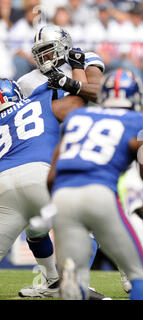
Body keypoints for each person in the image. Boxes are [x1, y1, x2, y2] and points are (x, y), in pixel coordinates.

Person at [48, 68, 143, 300]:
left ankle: (75, 286)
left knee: (77, 277)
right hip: (99, 193)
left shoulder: (78, 117)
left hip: (63, 194)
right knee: (138, 273)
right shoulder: (140, 123)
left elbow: (51, 177)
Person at [15, 24, 105, 299]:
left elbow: (99, 93)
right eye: (39, 53)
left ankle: (84, 281)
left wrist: (68, 81)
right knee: (36, 226)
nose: (43, 58)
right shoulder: (28, 81)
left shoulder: (86, 59)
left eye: (48, 51)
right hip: (50, 152)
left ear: (64, 47)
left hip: (85, 147)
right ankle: (54, 281)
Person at [0, 78, 84, 294]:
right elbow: (79, 105)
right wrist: (75, 80)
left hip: (3, 184)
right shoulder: (38, 100)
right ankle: (122, 276)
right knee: (87, 225)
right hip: (38, 173)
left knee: (36, 229)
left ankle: (54, 281)